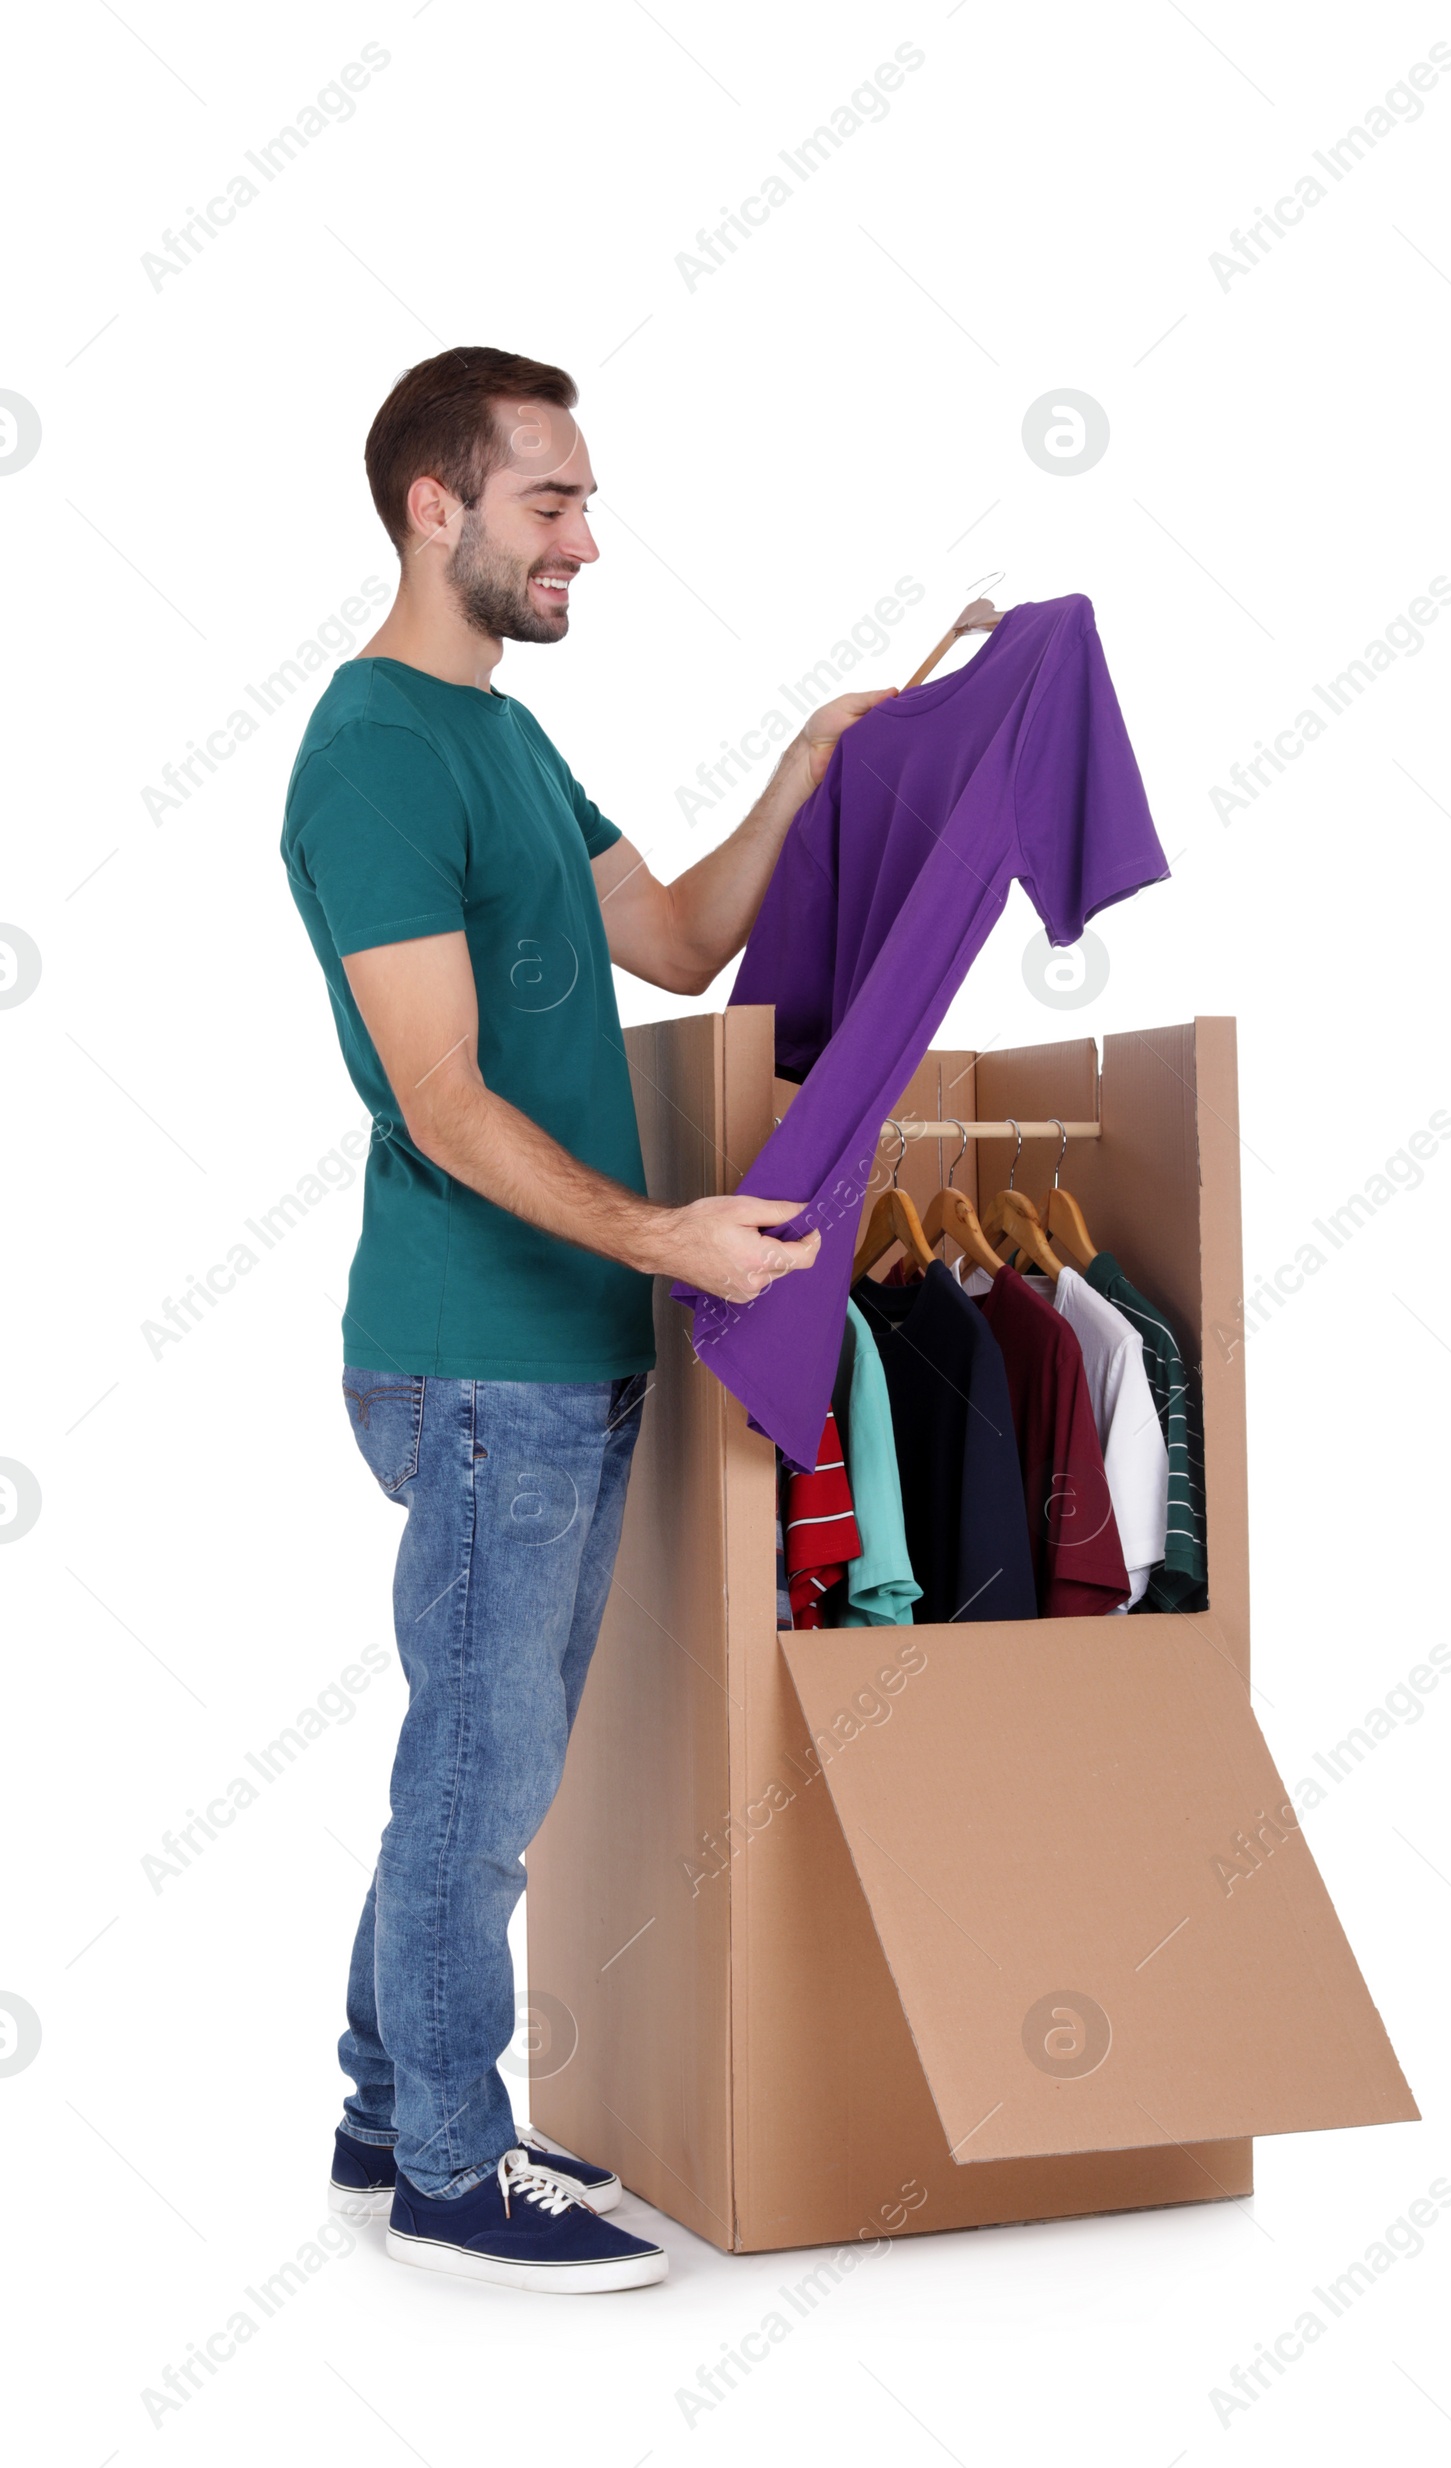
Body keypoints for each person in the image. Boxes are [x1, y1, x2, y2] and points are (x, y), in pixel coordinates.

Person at [280, 346, 891, 2293]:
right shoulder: (374, 750)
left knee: (484, 1758)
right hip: (477, 1353)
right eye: (550, 502)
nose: (586, 541)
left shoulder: (508, 743)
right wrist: (666, 1243)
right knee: (482, 1777)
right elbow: (441, 1102)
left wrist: (806, 764)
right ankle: (455, 2171)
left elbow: (680, 935)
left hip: (555, 1345)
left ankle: (392, 2103)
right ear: (431, 509)